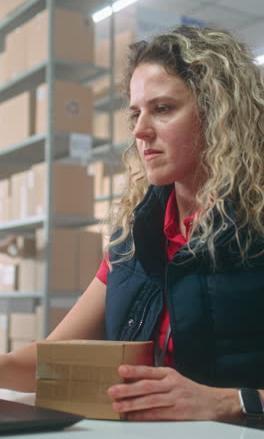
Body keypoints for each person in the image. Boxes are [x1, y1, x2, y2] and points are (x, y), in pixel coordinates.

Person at [1, 24, 264, 422]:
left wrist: (230, 400)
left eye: (162, 109)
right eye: (136, 112)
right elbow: (51, 358)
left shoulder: (255, 228)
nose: (140, 131)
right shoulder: (133, 239)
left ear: (219, 112)